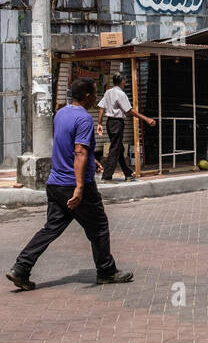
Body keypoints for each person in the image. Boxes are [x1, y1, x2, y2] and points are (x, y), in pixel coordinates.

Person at [8, 79, 132, 291]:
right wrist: (80, 187)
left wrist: (91, 161)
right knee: (99, 227)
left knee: (51, 228)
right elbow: (79, 151)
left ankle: (21, 268)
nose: (96, 97)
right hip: (72, 184)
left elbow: (67, 145)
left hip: (55, 183)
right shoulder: (83, 118)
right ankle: (106, 271)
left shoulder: (61, 114)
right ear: (86, 96)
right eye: (94, 93)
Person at [97, 72, 156, 180]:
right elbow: (129, 110)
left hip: (109, 123)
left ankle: (127, 173)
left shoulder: (108, 92)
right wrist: (146, 119)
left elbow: (101, 107)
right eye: (125, 80)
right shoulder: (121, 94)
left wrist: (100, 123)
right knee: (115, 149)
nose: (126, 82)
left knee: (119, 148)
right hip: (117, 123)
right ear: (122, 81)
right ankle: (106, 176)